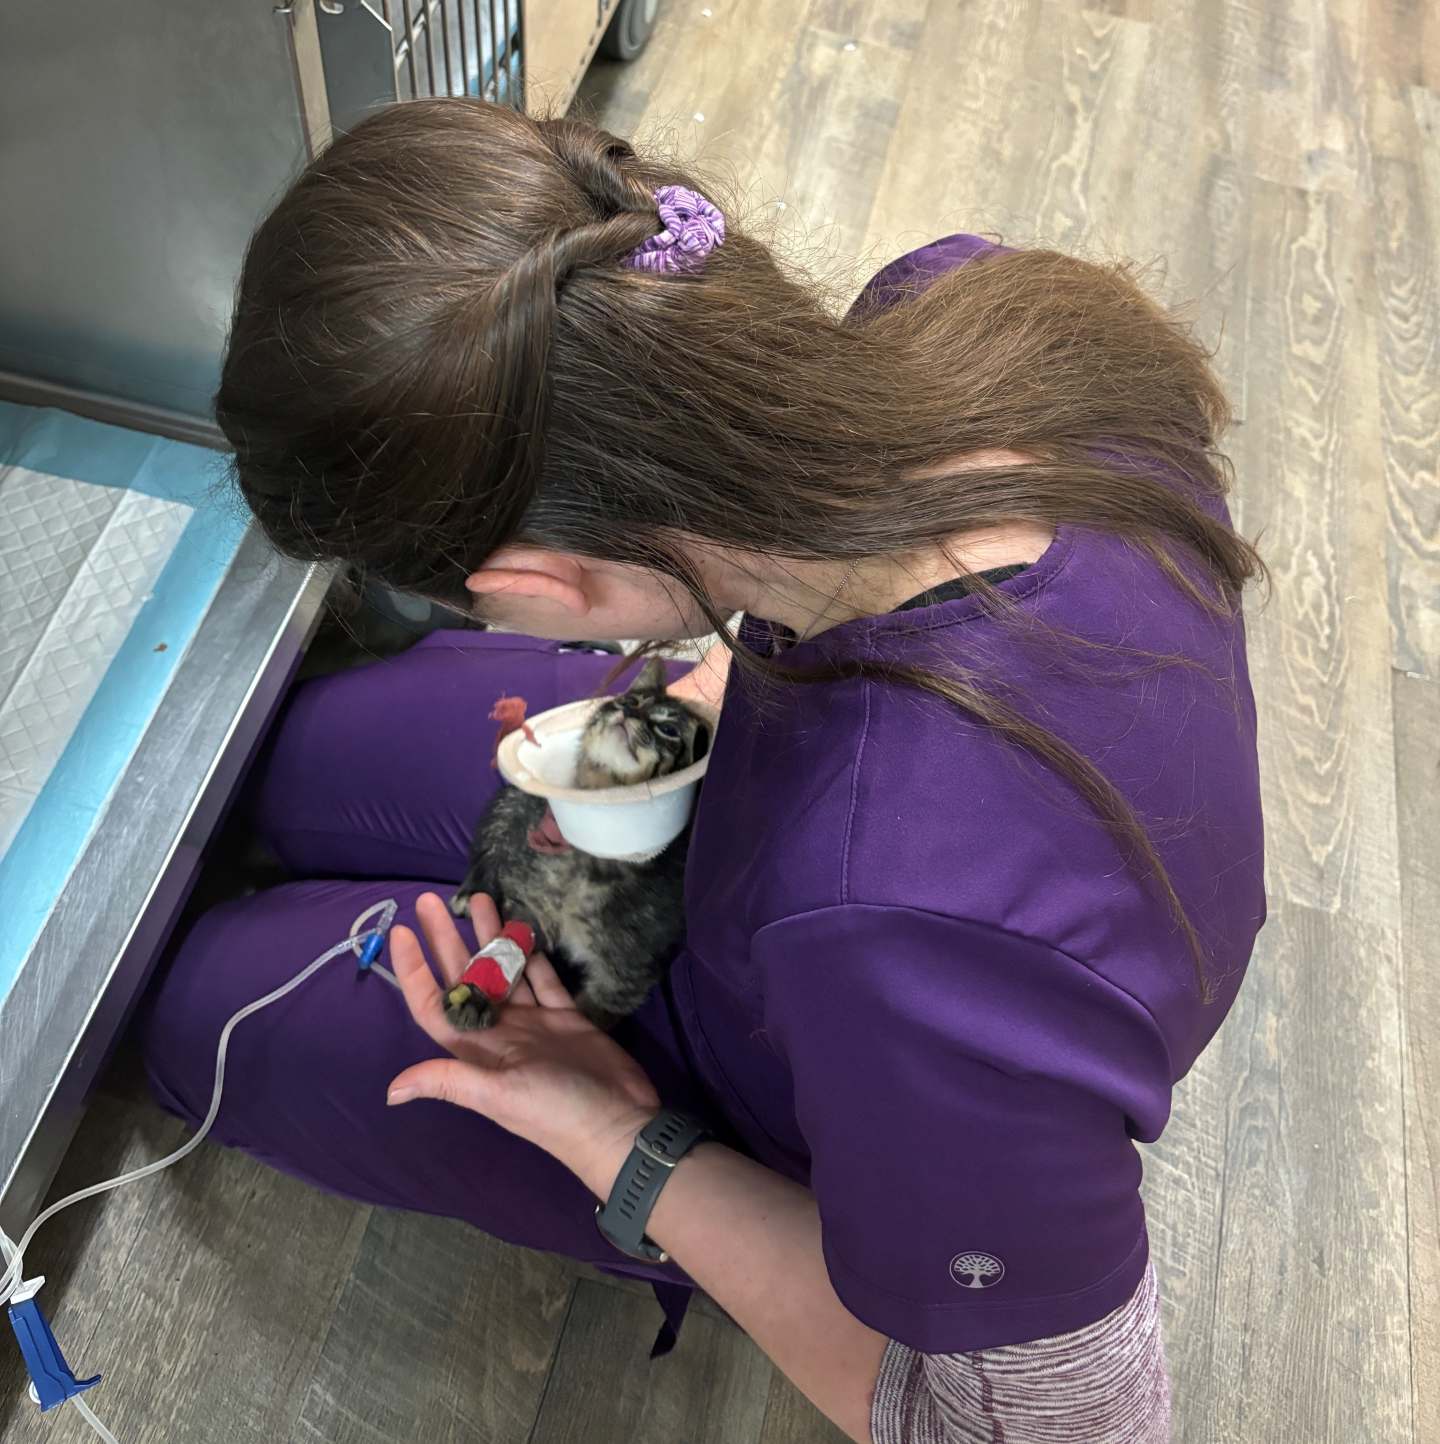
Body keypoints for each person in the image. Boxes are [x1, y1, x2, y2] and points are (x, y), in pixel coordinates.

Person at [139, 99, 1266, 1442]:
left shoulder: (901, 942)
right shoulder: (976, 309)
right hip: (799, 836)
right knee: (288, 759)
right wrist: (711, 692)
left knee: (189, 999)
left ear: (535, 582)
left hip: (826, 1044)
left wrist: (620, 1138)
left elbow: (1068, 1428)